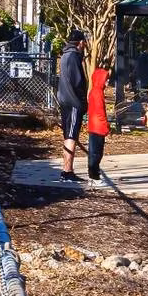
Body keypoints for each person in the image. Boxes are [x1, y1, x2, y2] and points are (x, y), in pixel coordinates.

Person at [56, 29, 89, 182]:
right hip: (73, 101)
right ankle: (67, 171)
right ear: (80, 42)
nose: (85, 45)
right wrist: (83, 101)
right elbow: (78, 82)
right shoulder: (74, 57)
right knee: (71, 136)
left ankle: (67, 170)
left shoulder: (64, 55)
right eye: (84, 42)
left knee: (68, 135)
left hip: (64, 100)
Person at [85, 60, 110, 184]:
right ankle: (94, 176)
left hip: (93, 126)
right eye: (106, 79)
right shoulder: (98, 93)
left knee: (93, 152)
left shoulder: (93, 92)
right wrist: (106, 126)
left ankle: (93, 174)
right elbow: (100, 112)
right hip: (98, 127)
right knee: (97, 153)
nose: (107, 82)